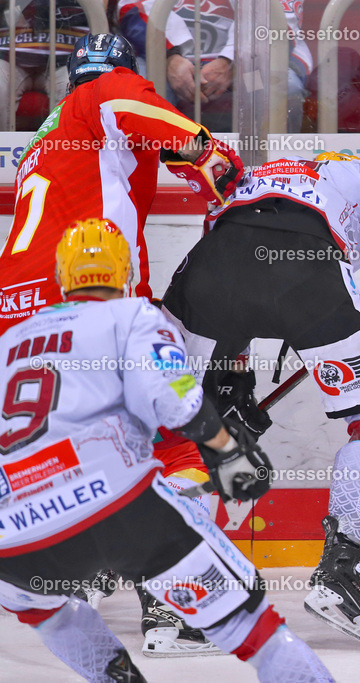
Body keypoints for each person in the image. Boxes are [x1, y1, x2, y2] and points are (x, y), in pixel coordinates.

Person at [0, 219, 333, 683]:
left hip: (15, 535)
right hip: (117, 508)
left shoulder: (11, 340)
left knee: (46, 612)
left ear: (61, 277)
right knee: (254, 628)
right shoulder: (134, 315)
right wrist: (225, 447)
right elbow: (176, 397)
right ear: (125, 272)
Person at [0, 31, 245, 655]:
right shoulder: (100, 99)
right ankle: (175, 608)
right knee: (174, 444)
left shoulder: (50, 136)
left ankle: (64, 577)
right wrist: (203, 147)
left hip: (17, 311)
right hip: (84, 299)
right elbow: (124, 102)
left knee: (60, 448)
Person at [159, 147, 360, 649]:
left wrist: (231, 376)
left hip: (210, 267)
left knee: (177, 424)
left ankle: (170, 597)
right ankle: (341, 571)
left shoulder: (258, 176)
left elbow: (234, 253)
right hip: (306, 262)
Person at [0, 32, 243, 334]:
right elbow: (124, 100)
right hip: (83, 284)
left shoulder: (43, 138)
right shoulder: (103, 90)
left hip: (13, 299)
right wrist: (203, 150)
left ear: (71, 82)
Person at [117, 0, 312, 132]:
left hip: (251, 68)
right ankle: (151, 177)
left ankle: (277, 177)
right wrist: (171, 57)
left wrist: (232, 61)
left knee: (283, 88)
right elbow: (133, 7)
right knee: (134, 92)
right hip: (164, 63)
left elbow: (278, 19)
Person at [0, 0, 89, 130]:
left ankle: (61, 145)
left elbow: (100, 9)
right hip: (10, 56)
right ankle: (3, 146)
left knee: (71, 87)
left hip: (65, 58)